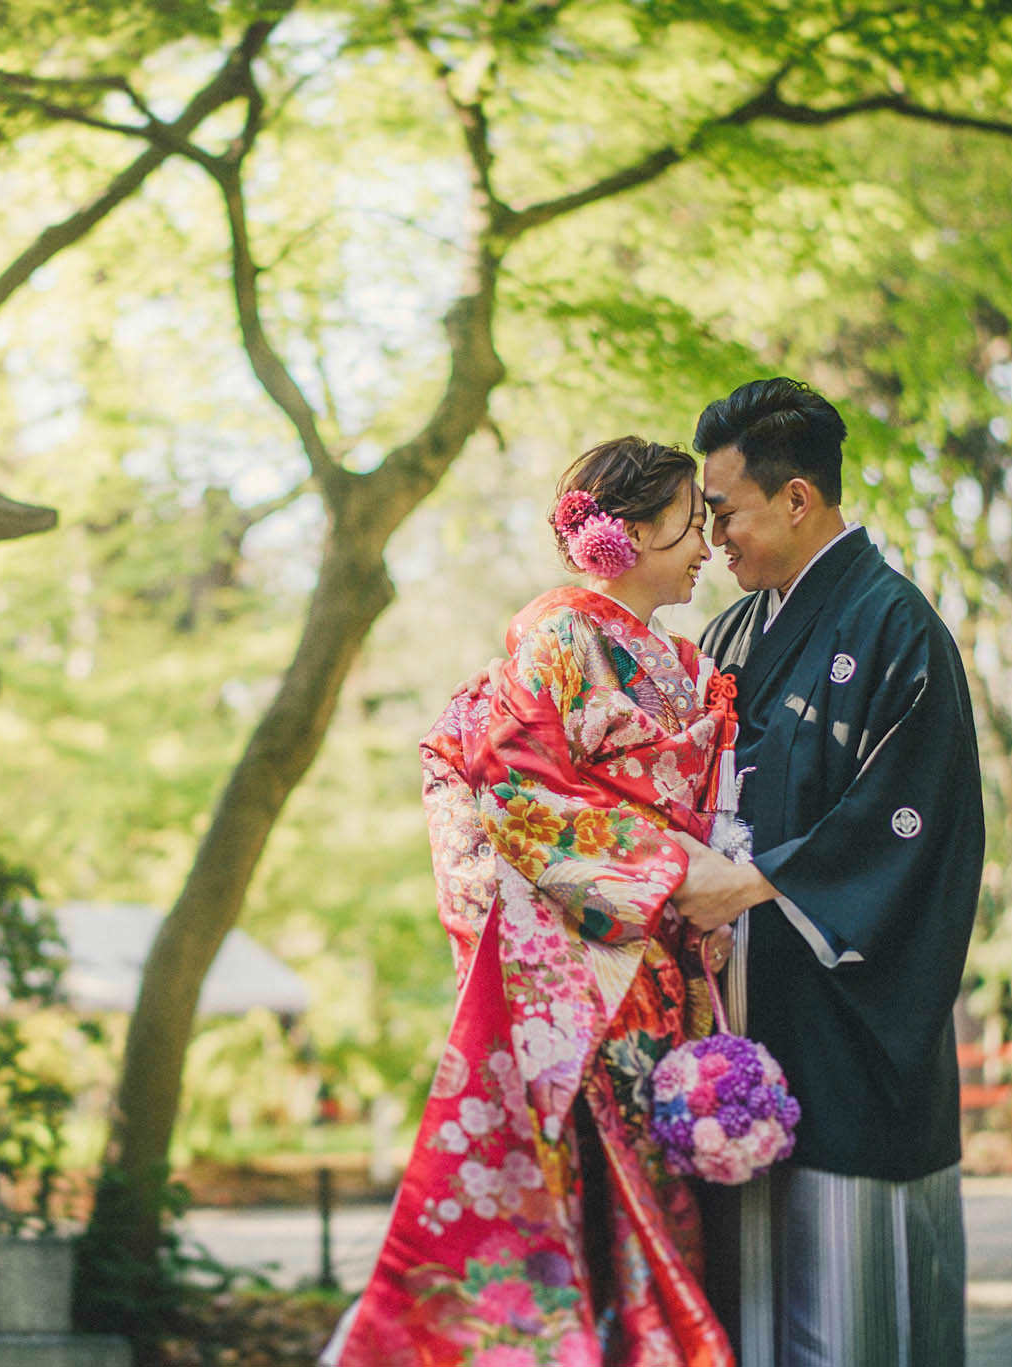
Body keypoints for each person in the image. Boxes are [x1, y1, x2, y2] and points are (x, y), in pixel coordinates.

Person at [334, 437, 739, 1367]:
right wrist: (666, 864)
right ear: (628, 532)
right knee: (603, 1196)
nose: (706, 543)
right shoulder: (559, 632)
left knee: (666, 1195)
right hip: (592, 960)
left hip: (664, 956)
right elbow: (518, 792)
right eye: (687, 521)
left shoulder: (682, 654)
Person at [664, 378, 984, 1367]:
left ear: (796, 498)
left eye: (721, 512)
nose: (710, 539)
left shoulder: (895, 628)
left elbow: (914, 823)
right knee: (744, 1313)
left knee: (848, 1322)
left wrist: (755, 883)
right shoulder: (724, 637)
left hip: (842, 1031)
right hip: (735, 1036)